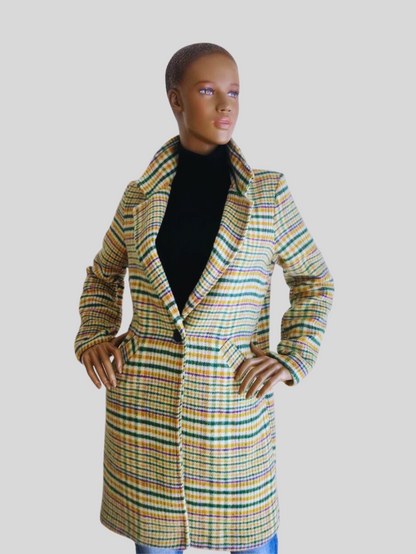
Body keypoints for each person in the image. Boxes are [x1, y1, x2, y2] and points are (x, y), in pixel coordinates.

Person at [74, 43, 335, 554]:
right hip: (143, 412)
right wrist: (94, 336)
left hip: (232, 410)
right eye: (208, 90)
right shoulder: (138, 199)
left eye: (234, 92)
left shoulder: (267, 196)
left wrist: (293, 356)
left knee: (255, 541)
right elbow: (102, 276)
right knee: (156, 545)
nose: (225, 105)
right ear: (176, 100)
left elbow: (314, 281)